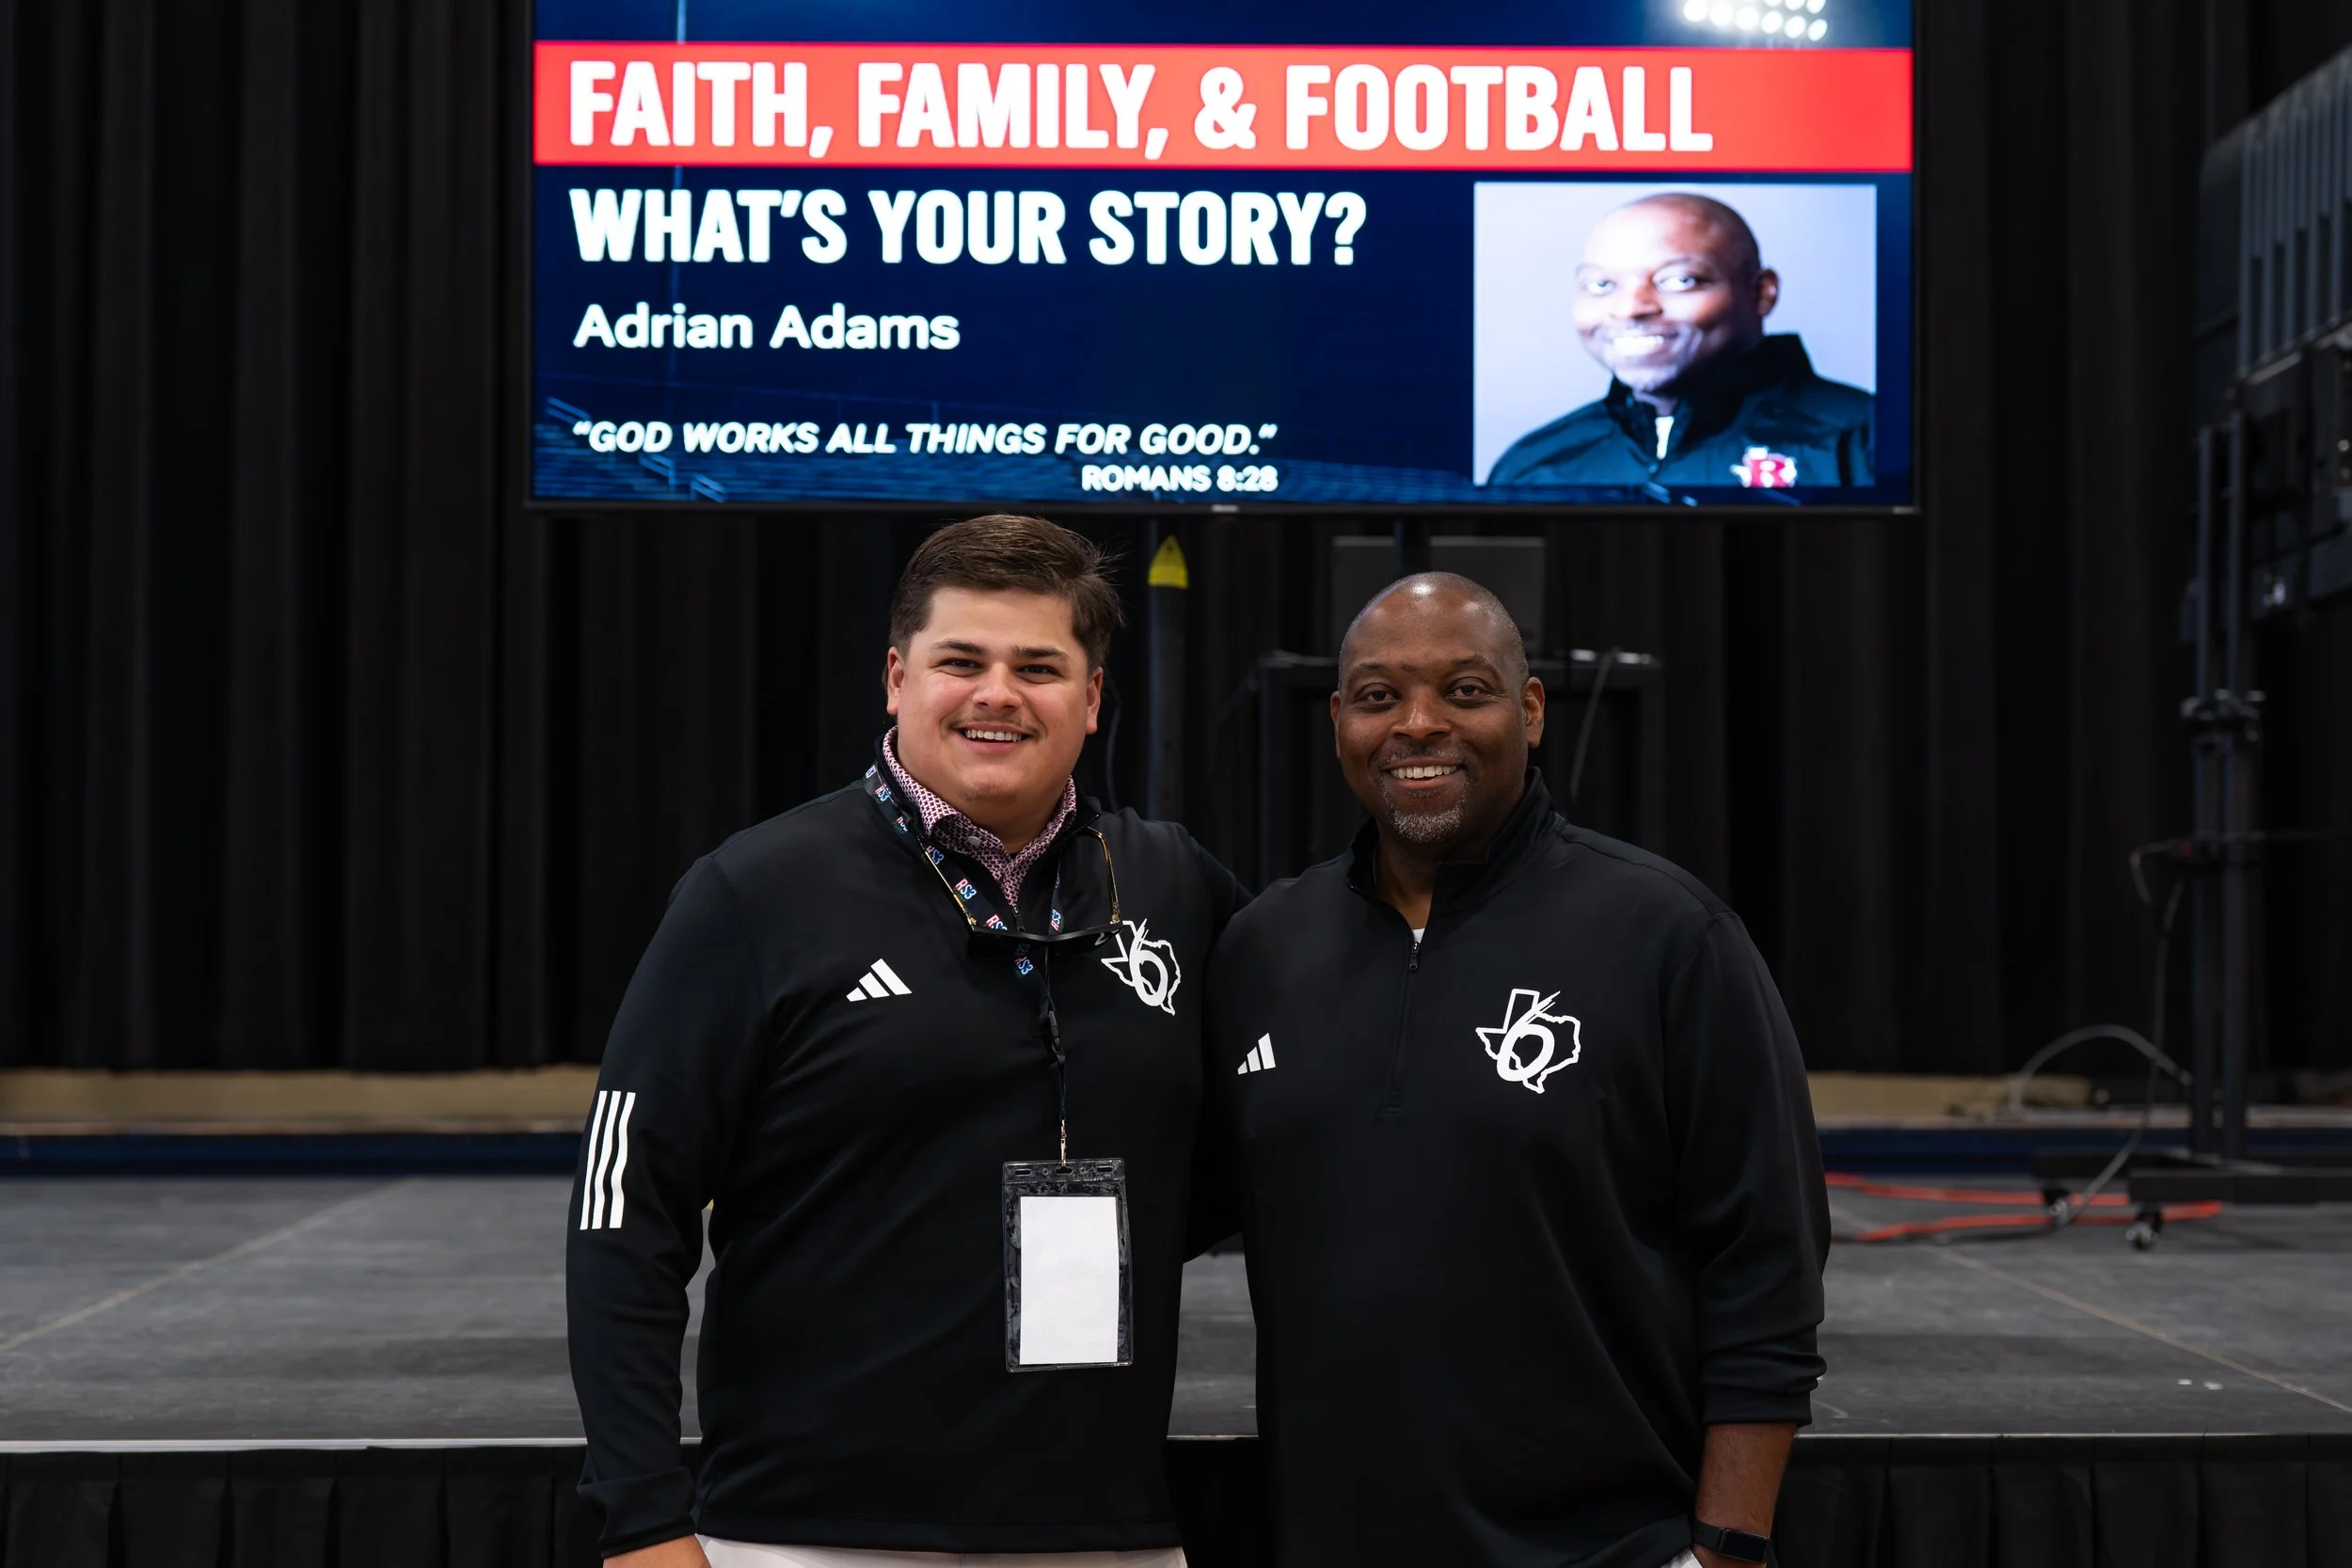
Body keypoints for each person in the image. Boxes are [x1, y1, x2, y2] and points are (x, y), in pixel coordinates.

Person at [569, 515, 1247, 1567]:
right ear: (896, 676)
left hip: (1102, 1530)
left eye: (1038, 666)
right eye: (960, 661)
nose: (997, 694)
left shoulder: (1173, 885)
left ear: (1093, 697)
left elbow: (1276, 1118)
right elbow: (625, 1213)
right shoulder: (753, 893)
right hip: (801, 1532)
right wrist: (643, 1515)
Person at [1202, 574, 1828, 1568]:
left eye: (1463, 690)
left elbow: (1765, 1266)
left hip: (1607, 1547)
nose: (1417, 724)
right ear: (1337, 723)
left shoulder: (1668, 934)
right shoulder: (1259, 948)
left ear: (1529, 710)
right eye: (1378, 696)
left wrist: (1723, 1548)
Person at [1486, 192, 1874, 490]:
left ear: (1761, 292)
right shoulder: (1533, 465)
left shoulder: (1864, 441)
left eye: (1679, 280)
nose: (1630, 308)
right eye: (1601, 285)